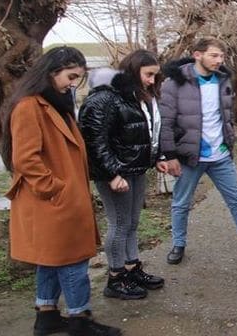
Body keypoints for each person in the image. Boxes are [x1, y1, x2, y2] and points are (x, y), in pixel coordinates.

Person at [1, 47, 121, 336]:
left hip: (58, 200)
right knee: (72, 261)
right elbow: (25, 158)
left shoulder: (53, 103)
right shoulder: (30, 106)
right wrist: (56, 190)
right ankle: (80, 319)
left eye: (78, 79)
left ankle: (47, 315)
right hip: (51, 202)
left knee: (51, 260)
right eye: (70, 76)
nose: (72, 84)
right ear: (51, 72)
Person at [159, 37, 237, 265]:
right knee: (181, 203)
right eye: (214, 55)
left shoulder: (223, 80)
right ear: (197, 54)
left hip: (220, 155)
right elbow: (165, 123)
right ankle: (178, 245)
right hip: (188, 157)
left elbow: (225, 117)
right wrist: (170, 156)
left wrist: (230, 140)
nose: (219, 60)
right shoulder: (173, 83)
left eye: (222, 56)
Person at [78, 49, 167, 300]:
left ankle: (131, 268)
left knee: (132, 223)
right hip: (116, 174)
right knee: (119, 224)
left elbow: (144, 131)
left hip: (135, 170)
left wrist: (156, 158)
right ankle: (115, 279)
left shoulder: (133, 96)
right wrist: (111, 174)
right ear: (132, 70)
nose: (151, 80)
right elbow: (94, 140)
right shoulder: (105, 98)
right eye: (148, 75)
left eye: (154, 76)